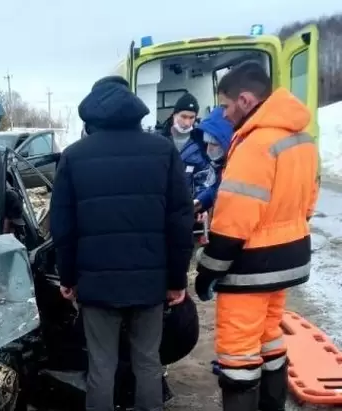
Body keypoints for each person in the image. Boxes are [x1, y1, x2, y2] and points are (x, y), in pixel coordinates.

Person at [50, 75, 194, 411]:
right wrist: (176, 280)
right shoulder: (163, 151)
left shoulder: (73, 157)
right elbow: (180, 220)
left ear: (91, 113)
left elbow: (63, 226)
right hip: (150, 283)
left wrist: (68, 278)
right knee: (147, 361)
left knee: (102, 365)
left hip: (96, 284)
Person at [194, 61, 318, 411]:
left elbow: (234, 221)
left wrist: (209, 270)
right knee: (269, 338)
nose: (223, 113)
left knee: (238, 354)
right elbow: (308, 201)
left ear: (246, 100)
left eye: (224, 104)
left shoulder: (255, 143)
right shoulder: (300, 138)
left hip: (251, 266)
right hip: (288, 259)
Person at [193, 106, 233, 213]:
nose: (208, 150)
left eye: (214, 144)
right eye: (206, 144)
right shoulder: (220, 166)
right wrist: (200, 202)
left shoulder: (237, 167)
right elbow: (217, 187)